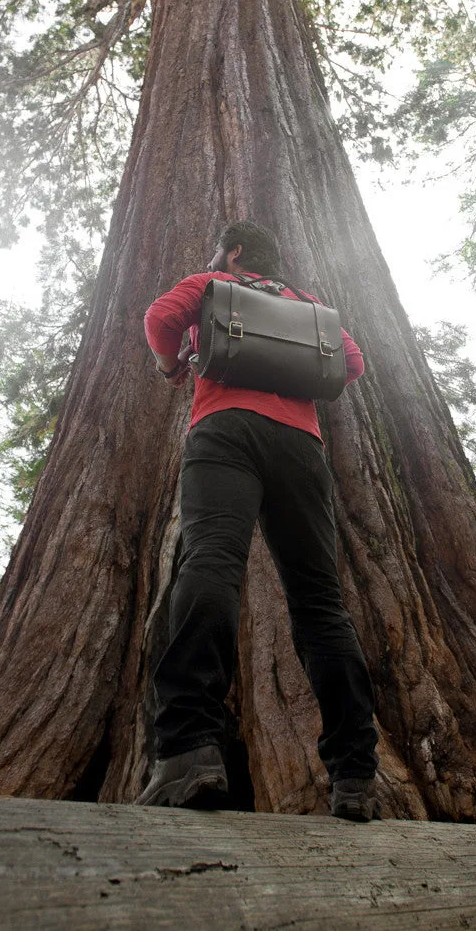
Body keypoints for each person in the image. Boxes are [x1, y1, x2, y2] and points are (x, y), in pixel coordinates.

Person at [139, 221, 380, 821]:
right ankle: (354, 774)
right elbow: (351, 364)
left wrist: (175, 364)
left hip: (224, 433)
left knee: (213, 563)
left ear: (236, 252)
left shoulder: (212, 281)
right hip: (301, 448)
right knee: (320, 602)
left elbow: (158, 322)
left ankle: (190, 749)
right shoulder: (309, 304)